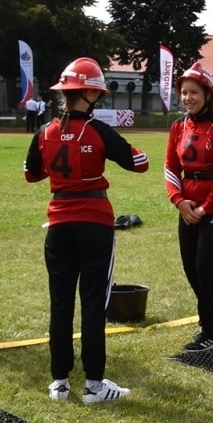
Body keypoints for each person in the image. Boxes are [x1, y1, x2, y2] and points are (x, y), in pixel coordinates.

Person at [24, 57, 149, 404]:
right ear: (92, 94)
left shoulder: (45, 131)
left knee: (60, 302)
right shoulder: (97, 130)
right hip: (94, 221)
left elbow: (31, 174)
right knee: (93, 303)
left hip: (58, 224)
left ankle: (59, 383)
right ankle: (94, 385)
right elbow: (139, 164)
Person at [166, 61, 213, 351]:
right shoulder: (177, 126)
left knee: (206, 266)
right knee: (191, 267)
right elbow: (171, 166)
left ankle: (211, 329)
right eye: (184, 93)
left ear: (208, 93)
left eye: (194, 92)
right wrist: (180, 201)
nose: (187, 98)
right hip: (187, 205)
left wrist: (206, 207)